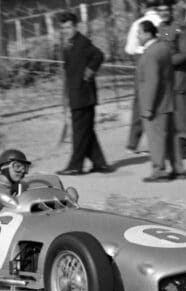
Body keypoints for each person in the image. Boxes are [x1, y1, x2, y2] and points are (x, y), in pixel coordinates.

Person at [57, 12, 112, 176]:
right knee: (86, 131)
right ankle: (99, 163)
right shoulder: (68, 46)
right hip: (75, 94)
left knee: (80, 132)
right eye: (63, 28)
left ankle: (75, 165)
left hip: (84, 96)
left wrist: (90, 71)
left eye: (68, 27)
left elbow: (99, 55)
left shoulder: (82, 42)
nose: (66, 30)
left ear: (75, 26)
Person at [137, 20, 186, 181]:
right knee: (172, 137)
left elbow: (153, 81)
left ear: (147, 34)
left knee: (156, 139)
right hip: (167, 100)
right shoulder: (164, 47)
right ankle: (178, 169)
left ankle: (159, 171)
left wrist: (149, 107)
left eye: (139, 33)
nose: (137, 36)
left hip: (156, 103)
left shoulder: (151, 52)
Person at [157, 0, 186, 153]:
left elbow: (183, 53)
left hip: (179, 75)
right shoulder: (164, 28)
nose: (163, 13)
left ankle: (185, 141)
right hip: (166, 76)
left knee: (182, 110)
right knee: (171, 110)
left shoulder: (179, 28)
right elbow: (167, 46)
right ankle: (177, 141)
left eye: (166, 10)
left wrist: (166, 62)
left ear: (171, 10)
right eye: (160, 10)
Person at [125, 0, 164, 153]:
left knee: (140, 103)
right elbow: (168, 39)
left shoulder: (138, 24)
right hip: (161, 59)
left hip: (142, 61)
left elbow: (129, 49)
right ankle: (156, 141)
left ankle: (133, 143)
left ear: (143, 6)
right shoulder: (163, 24)